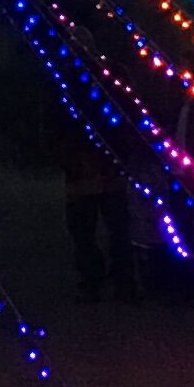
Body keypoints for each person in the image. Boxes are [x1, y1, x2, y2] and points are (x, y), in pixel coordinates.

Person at [62, 126, 138, 298]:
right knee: (84, 233)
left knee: (117, 231)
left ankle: (120, 280)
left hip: (107, 173)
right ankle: (96, 279)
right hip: (83, 174)